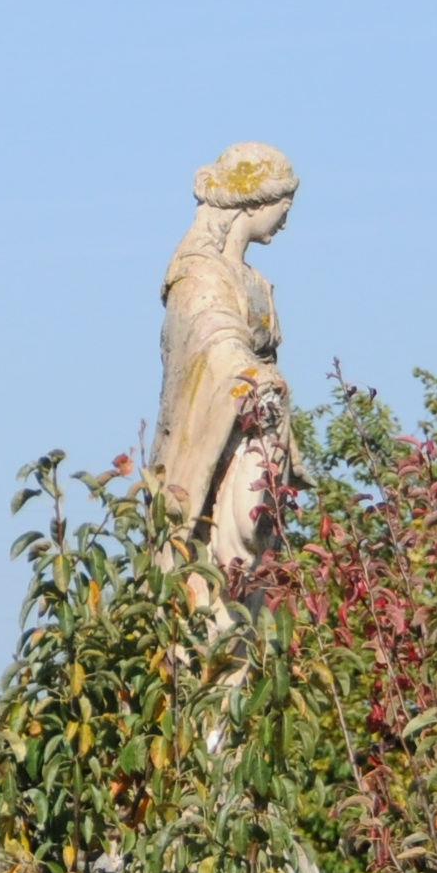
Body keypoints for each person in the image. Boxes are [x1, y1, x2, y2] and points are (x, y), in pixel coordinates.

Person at [154, 142, 300, 573]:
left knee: (252, 574)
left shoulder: (253, 279)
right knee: (216, 576)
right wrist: (255, 377)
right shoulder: (200, 274)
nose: (287, 222)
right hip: (222, 433)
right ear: (255, 202)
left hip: (256, 432)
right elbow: (213, 340)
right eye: (285, 206)